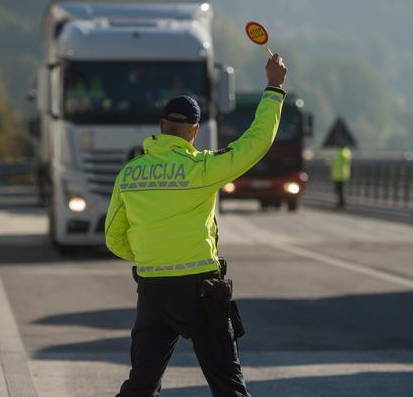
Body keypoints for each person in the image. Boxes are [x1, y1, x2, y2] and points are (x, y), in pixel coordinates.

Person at [105, 54, 288, 397]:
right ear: (194, 132)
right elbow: (255, 142)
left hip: (152, 290)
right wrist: (274, 88)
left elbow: (114, 238)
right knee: (227, 386)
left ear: (160, 127)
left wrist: (152, 253)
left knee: (140, 387)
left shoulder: (129, 173)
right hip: (199, 290)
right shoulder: (202, 169)